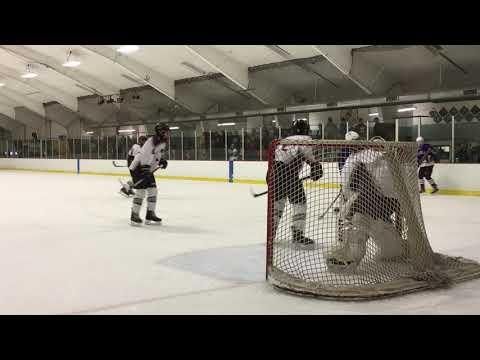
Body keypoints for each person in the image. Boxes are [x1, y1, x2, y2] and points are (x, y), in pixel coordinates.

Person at [326, 139, 403, 273]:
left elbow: (350, 187)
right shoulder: (381, 159)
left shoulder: (359, 159)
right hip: (379, 206)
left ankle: (346, 258)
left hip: (372, 205)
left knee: (357, 230)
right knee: (387, 247)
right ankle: (347, 257)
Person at [268, 119, 323, 247]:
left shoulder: (283, 141)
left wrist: (270, 176)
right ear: (306, 129)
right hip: (289, 174)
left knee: (277, 205)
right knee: (300, 204)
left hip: (275, 173)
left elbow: (275, 159)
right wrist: (315, 166)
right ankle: (297, 235)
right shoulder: (305, 139)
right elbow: (307, 155)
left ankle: (271, 234)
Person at [128, 124, 170, 226]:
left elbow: (156, 154)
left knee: (153, 190)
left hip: (147, 167)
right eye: (166, 131)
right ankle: (134, 215)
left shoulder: (162, 142)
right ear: (161, 132)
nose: (168, 134)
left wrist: (161, 161)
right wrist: (145, 168)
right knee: (141, 192)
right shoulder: (152, 140)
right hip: (139, 167)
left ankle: (150, 214)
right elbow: (145, 154)